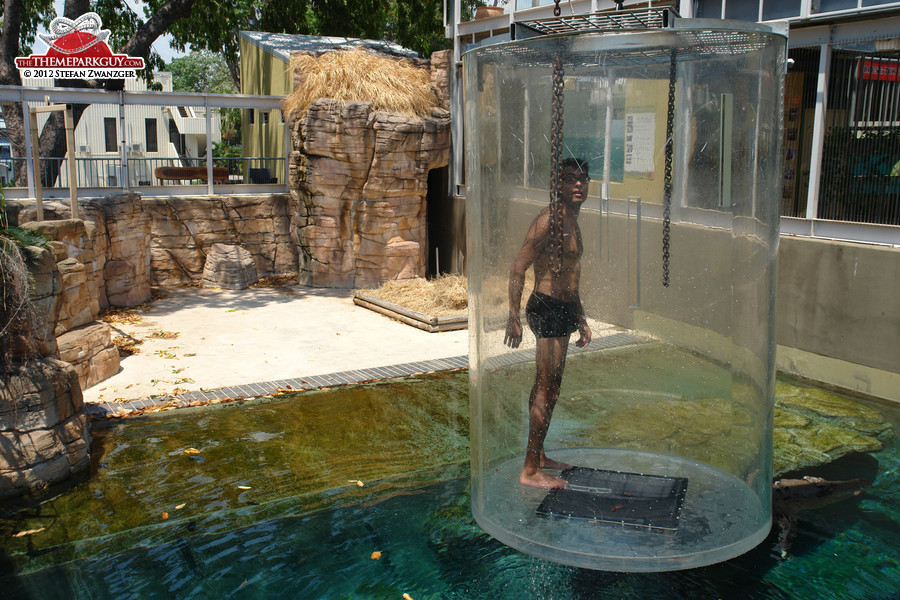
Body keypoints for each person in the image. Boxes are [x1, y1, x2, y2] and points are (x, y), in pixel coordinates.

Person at [504, 157, 592, 489]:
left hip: (565, 308)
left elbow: (572, 277)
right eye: (571, 179)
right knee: (546, 389)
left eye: (583, 178)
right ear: (558, 185)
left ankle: (539, 456)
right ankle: (529, 471)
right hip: (548, 307)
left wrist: (581, 319)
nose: (578, 184)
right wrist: (513, 317)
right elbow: (518, 267)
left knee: (550, 388)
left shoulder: (571, 220)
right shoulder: (548, 220)